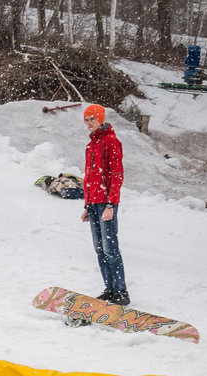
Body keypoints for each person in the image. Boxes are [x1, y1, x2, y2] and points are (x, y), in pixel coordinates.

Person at [80, 104, 129, 305]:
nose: (89, 123)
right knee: (99, 249)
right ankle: (109, 289)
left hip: (106, 204)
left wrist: (110, 204)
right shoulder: (91, 145)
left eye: (92, 119)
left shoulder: (111, 141)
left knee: (111, 249)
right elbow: (89, 177)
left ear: (101, 119)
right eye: (86, 119)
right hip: (93, 203)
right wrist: (86, 204)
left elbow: (117, 175)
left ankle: (121, 292)